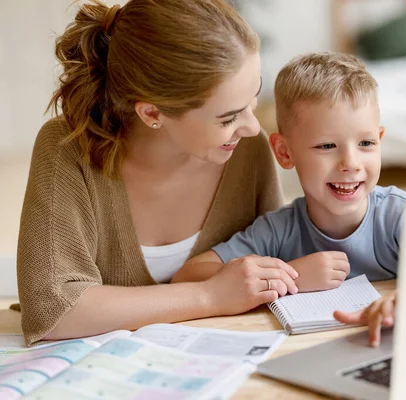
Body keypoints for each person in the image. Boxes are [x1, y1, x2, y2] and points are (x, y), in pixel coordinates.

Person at [15, 0, 300, 346]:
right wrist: (208, 295)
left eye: (252, 100)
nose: (253, 128)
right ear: (152, 112)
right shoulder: (67, 148)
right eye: (228, 117)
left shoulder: (246, 150)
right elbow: (53, 310)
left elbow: (280, 261)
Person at [172, 52, 406, 292]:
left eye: (366, 143)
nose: (350, 163)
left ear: (379, 140)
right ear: (285, 152)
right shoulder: (278, 231)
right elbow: (188, 276)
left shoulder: (401, 217)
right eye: (327, 146)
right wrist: (291, 275)